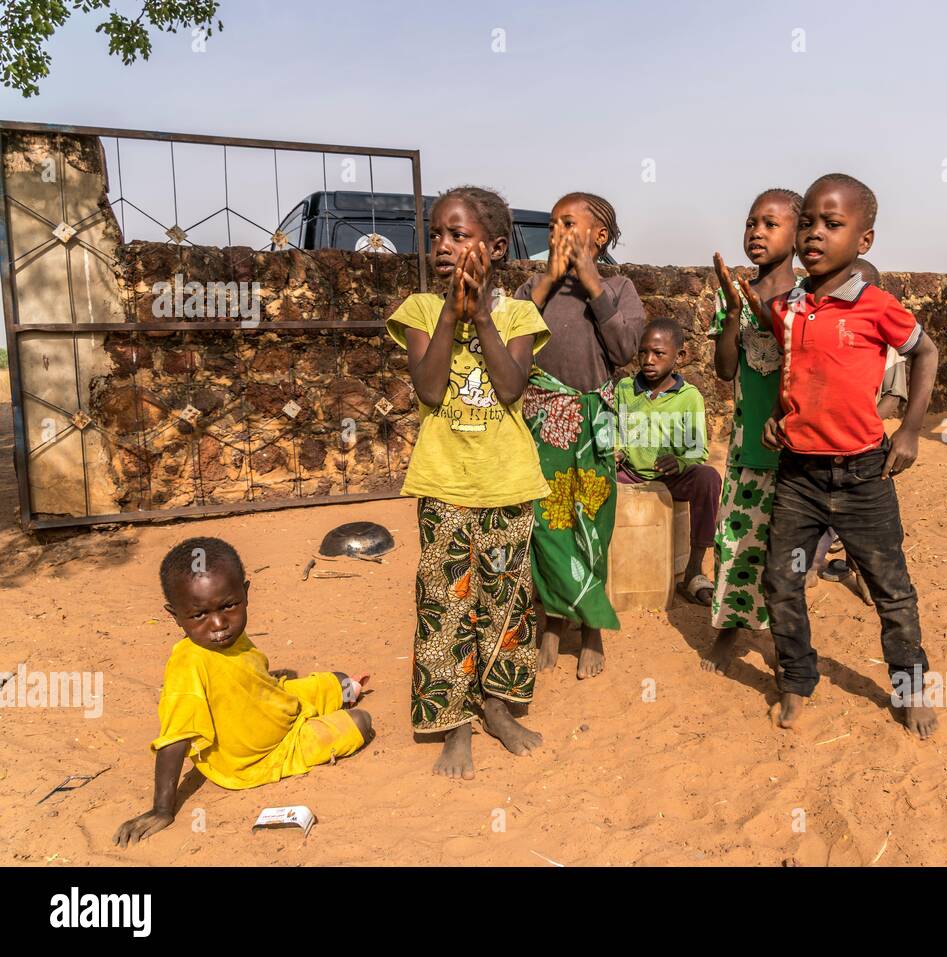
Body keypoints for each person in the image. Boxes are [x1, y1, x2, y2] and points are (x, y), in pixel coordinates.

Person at [755, 173, 941, 738]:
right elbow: (798, 370)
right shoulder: (788, 307)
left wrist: (910, 430)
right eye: (808, 222)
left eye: (832, 224)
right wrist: (780, 414)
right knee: (782, 581)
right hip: (799, 475)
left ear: (864, 241)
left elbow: (926, 353)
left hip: (863, 475)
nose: (814, 233)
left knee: (890, 589)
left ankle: (909, 689)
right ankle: (795, 680)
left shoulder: (876, 306)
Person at [388, 185, 549, 780]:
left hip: (508, 483)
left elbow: (509, 387)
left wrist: (480, 314)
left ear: (496, 248)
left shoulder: (519, 315)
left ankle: (498, 708)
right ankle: (454, 723)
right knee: (444, 605)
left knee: (506, 601)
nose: (442, 246)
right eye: (435, 235)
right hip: (444, 485)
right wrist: (452, 313)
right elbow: (430, 390)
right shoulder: (420, 310)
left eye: (458, 235)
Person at [114, 537, 372, 846]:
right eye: (199, 615)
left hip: (273, 704)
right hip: (264, 757)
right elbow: (175, 738)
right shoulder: (188, 664)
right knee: (360, 722)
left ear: (245, 594)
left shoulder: (231, 637)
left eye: (228, 606)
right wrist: (161, 809)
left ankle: (342, 690)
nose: (219, 623)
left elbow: (256, 682)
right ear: (175, 615)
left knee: (338, 681)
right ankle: (334, 704)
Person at [515, 193, 646, 679]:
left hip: (596, 424)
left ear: (600, 236)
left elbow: (625, 348)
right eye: (552, 225)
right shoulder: (532, 288)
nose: (557, 233)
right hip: (542, 421)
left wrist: (591, 282)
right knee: (547, 524)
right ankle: (552, 621)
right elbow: (509, 340)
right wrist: (548, 282)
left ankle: (591, 627)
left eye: (568, 223)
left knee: (591, 522)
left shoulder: (619, 288)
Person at [703, 188, 802, 672]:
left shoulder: (806, 300)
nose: (756, 232)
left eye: (770, 224)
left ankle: (785, 638)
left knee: (784, 551)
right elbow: (725, 370)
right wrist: (731, 311)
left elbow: (803, 363)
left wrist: (761, 312)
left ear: (799, 234)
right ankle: (729, 627)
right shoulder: (736, 298)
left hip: (794, 451)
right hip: (746, 448)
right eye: (750, 223)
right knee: (735, 542)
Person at [613, 318, 721, 603]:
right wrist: (616, 450)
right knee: (592, 477)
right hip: (629, 473)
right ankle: (598, 569)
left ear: (679, 356)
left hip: (671, 478)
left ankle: (694, 570)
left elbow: (698, 450)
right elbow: (613, 429)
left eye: (658, 353)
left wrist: (680, 462)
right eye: (643, 352)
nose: (648, 360)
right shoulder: (625, 388)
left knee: (708, 478)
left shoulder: (689, 397)